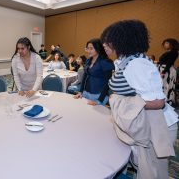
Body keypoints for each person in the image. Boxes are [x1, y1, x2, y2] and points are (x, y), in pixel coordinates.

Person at [101, 20, 178, 179]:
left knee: (152, 173)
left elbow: (158, 102)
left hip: (157, 126)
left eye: (109, 41)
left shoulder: (137, 64)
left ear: (123, 40)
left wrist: (116, 100)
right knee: (142, 167)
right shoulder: (126, 61)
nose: (104, 44)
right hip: (145, 122)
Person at [74, 38, 114, 105]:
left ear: (98, 49)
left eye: (91, 48)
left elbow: (108, 83)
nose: (89, 51)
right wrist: (80, 92)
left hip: (99, 96)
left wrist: (99, 100)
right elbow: (84, 77)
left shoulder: (105, 62)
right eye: (88, 48)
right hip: (86, 93)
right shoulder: (88, 60)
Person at [158, 38, 179, 106]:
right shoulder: (169, 52)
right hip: (165, 70)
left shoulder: (174, 52)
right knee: (163, 86)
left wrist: (163, 72)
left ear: (172, 44)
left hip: (167, 71)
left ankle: (167, 101)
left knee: (167, 86)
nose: (165, 44)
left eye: (167, 43)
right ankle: (163, 101)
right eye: (165, 43)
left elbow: (169, 63)